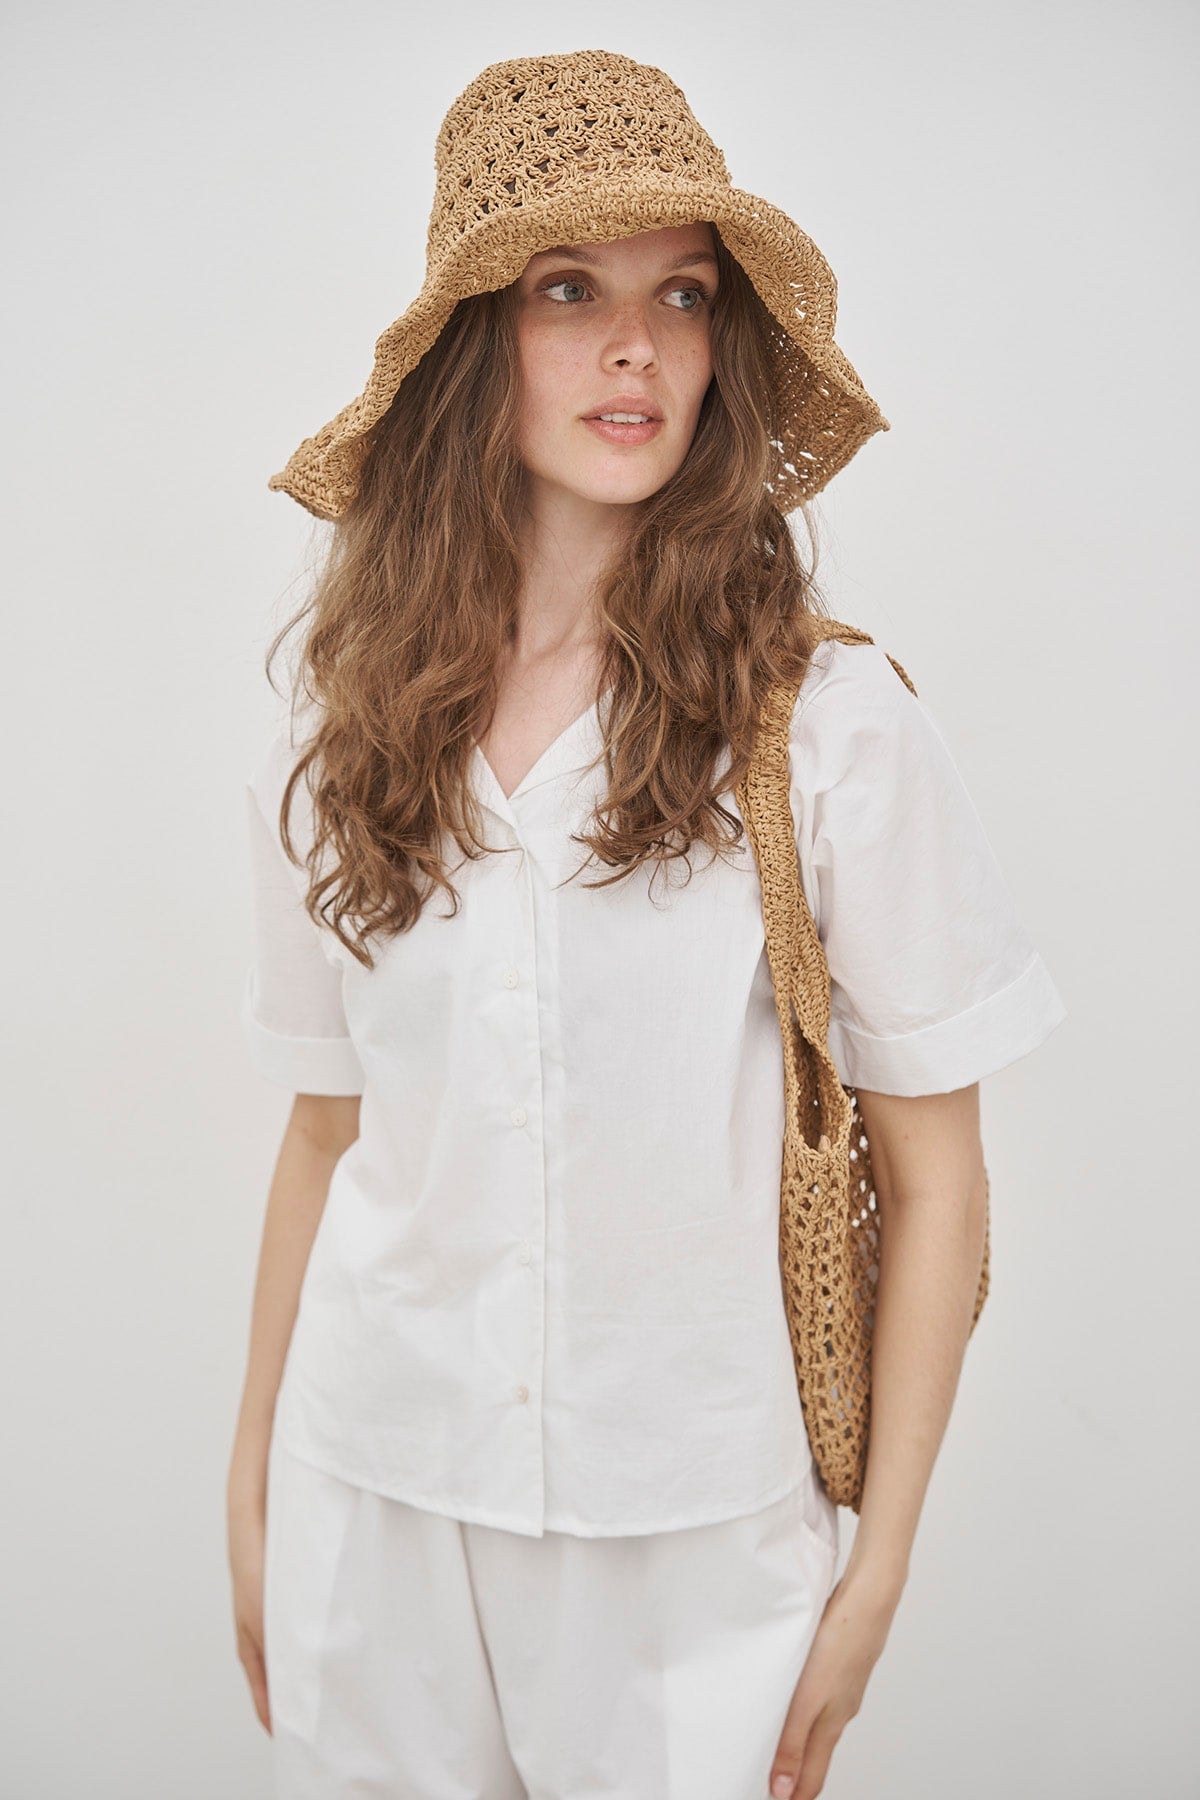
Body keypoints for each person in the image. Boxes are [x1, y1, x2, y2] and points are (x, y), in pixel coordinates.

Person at [226, 49, 1066, 1800]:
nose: (638, 347)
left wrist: (877, 1573)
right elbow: (326, 1132)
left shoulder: (828, 728)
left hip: (693, 1534)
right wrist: (252, 1485)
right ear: (472, 348)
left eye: (682, 295)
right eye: (567, 291)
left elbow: (940, 1182)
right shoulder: (341, 722)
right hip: (369, 1497)